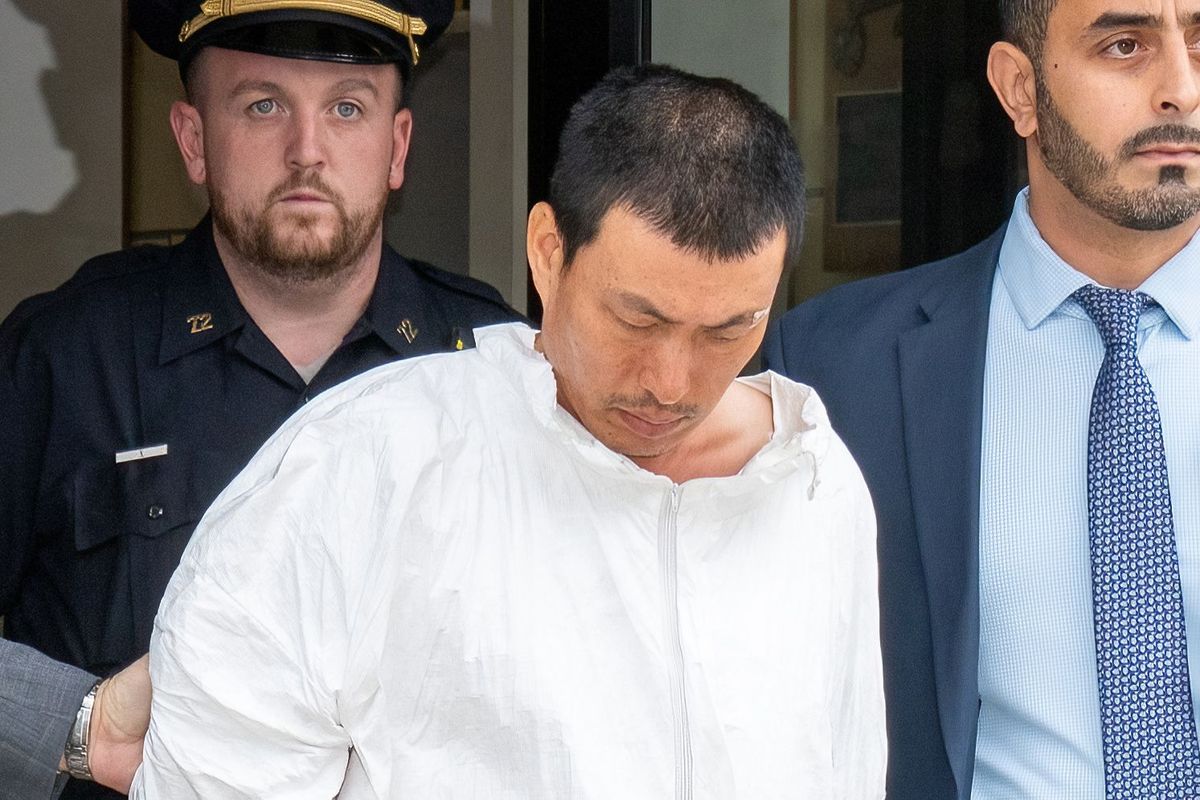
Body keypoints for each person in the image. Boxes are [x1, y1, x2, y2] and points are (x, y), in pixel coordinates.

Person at [129, 64, 886, 799]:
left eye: (730, 330)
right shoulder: (369, 463)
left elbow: (846, 766)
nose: (671, 383)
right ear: (548, 254)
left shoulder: (812, 485)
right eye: (637, 319)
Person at [0, 1, 522, 797]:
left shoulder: (497, 369)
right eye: (263, 105)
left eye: (347, 108)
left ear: (397, 146)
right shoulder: (65, 357)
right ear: (193, 140)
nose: (306, 151)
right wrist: (74, 724)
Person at [766, 0, 1200, 798]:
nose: (1181, 86)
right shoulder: (830, 371)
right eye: (1126, 45)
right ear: (1019, 90)